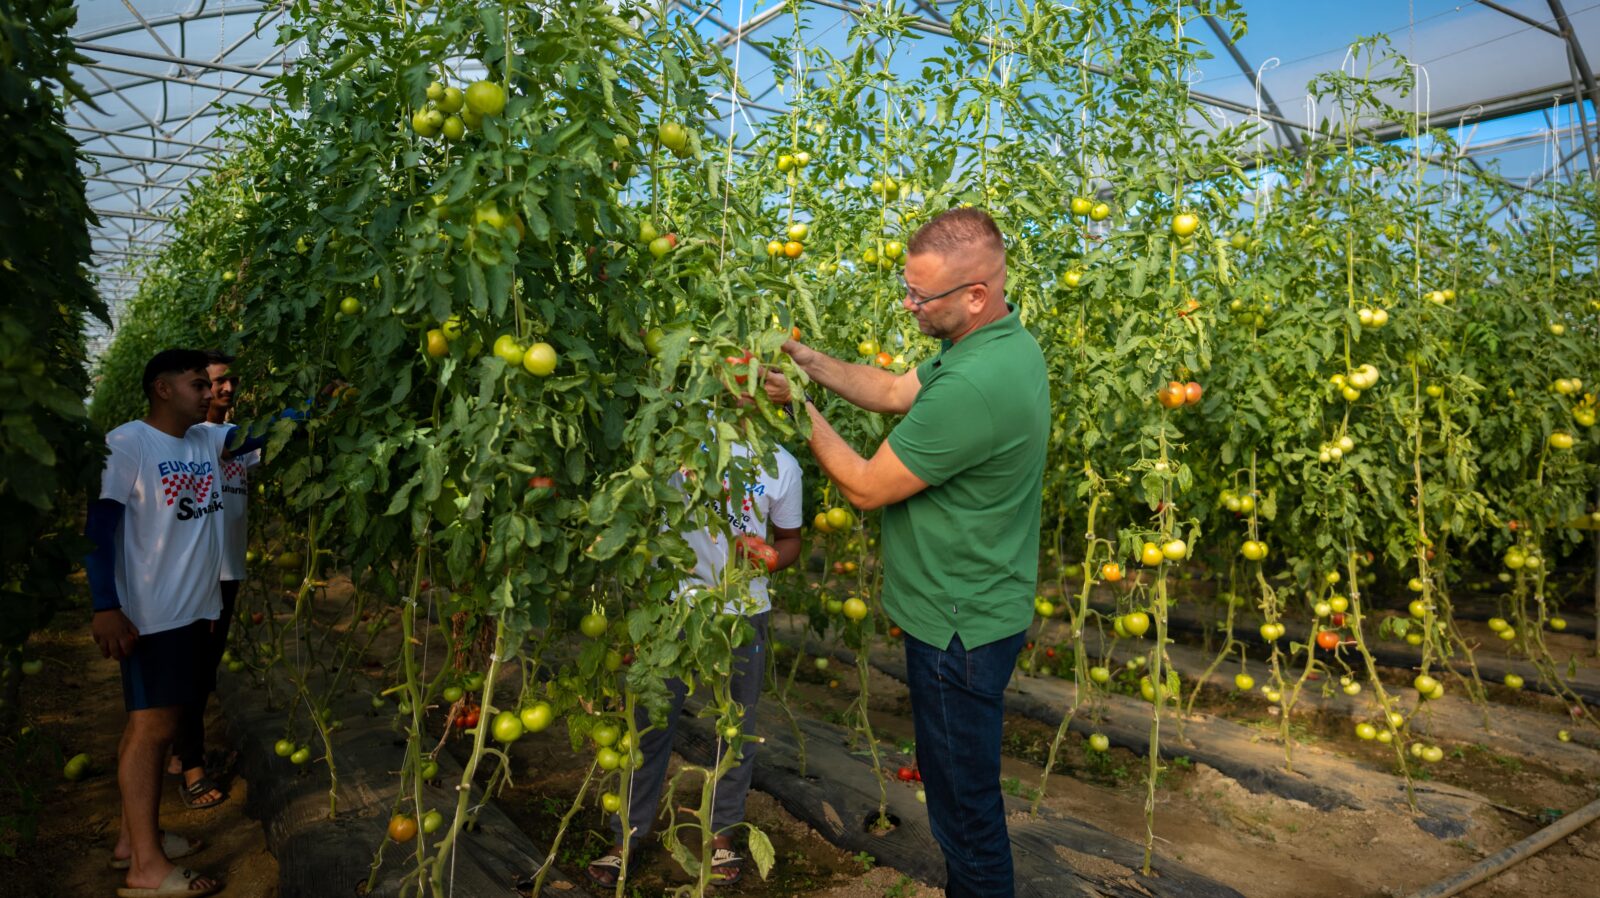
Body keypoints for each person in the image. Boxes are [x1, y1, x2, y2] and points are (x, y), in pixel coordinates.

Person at [763, 207, 1048, 898]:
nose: (908, 305)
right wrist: (810, 362)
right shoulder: (995, 344)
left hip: (958, 627)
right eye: (907, 288)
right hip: (974, 604)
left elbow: (864, 487)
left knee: (964, 815)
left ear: (975, 294)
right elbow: (892, 390)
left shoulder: (975, 385)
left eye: (921, 296)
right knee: (960, 792)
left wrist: (797, 407)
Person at [586, 431, 802, 889]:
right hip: (672, 605)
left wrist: (765, 559)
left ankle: (722, 831)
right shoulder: (678, 439)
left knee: (736, 724)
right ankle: (626, 836)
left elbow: (790, 541)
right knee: (649, 722)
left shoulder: (781, 464)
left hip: (742, 610)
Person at [85, 349, 227, 897]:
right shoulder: (129, 443)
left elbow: (266, 434)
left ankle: (133, 842)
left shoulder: (204, 440)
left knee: (151, 726)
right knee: (153, 731)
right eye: (198, 384)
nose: (209, 393)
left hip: (191, 610)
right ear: (162, 389)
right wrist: (105, 605)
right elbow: (99, 528)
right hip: (152, 614)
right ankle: (146, 868)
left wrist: (321, 398)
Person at [164, 350, 257, 809]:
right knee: (193, 672)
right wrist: (312, 400)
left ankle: (180, 755)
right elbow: (251, 438)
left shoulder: (233, 436)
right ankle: (192, 766)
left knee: (203, 670)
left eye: (229, 381)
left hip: (228, 568)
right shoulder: (197, 436)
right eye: (215, 382)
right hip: (202, 571)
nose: (225, 388)